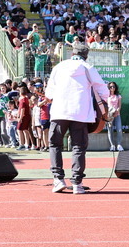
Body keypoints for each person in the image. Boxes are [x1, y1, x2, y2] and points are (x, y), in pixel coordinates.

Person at [46, 40, 109, 195]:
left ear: (72, 53)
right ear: (86, 56)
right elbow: (104, 91)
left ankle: (58, 179)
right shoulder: (88, 68)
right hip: (81, 113)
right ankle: (77, 183)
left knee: (55, 145)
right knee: (78, 147)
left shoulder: (59, 67)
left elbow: (49, 93)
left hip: (60, 111)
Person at [106, 81, 123, 152]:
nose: (112, 88)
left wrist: (117, 111)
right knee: (110, 130)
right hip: (109, 116)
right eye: (110, 87)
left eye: (113, 86)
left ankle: (119, 145)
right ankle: (112, 145)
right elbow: (106, 106)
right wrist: (110, 114)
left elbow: (119, 106)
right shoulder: (107, 96)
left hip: (117, 114)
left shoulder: (118, 96)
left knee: (119, 129)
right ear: (108, 88)